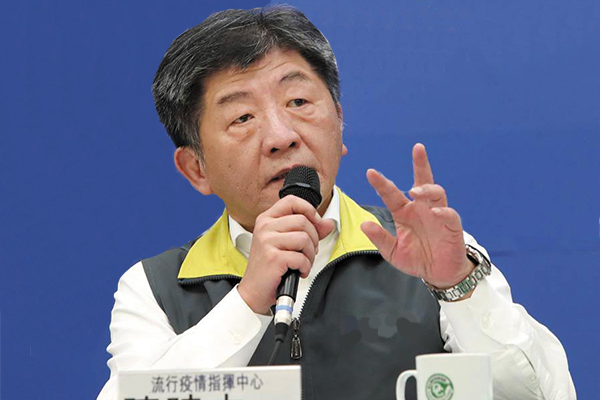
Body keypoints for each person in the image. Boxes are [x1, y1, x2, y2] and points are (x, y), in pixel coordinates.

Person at [98, 6, 575, 400]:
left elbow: (541, 392)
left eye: (299, 102)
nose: (282, 136)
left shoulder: (427, 256)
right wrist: (248, 302)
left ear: (340, 123)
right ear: (196, 168)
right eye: (242, 117)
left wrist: (459, 287)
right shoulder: (155, 289)